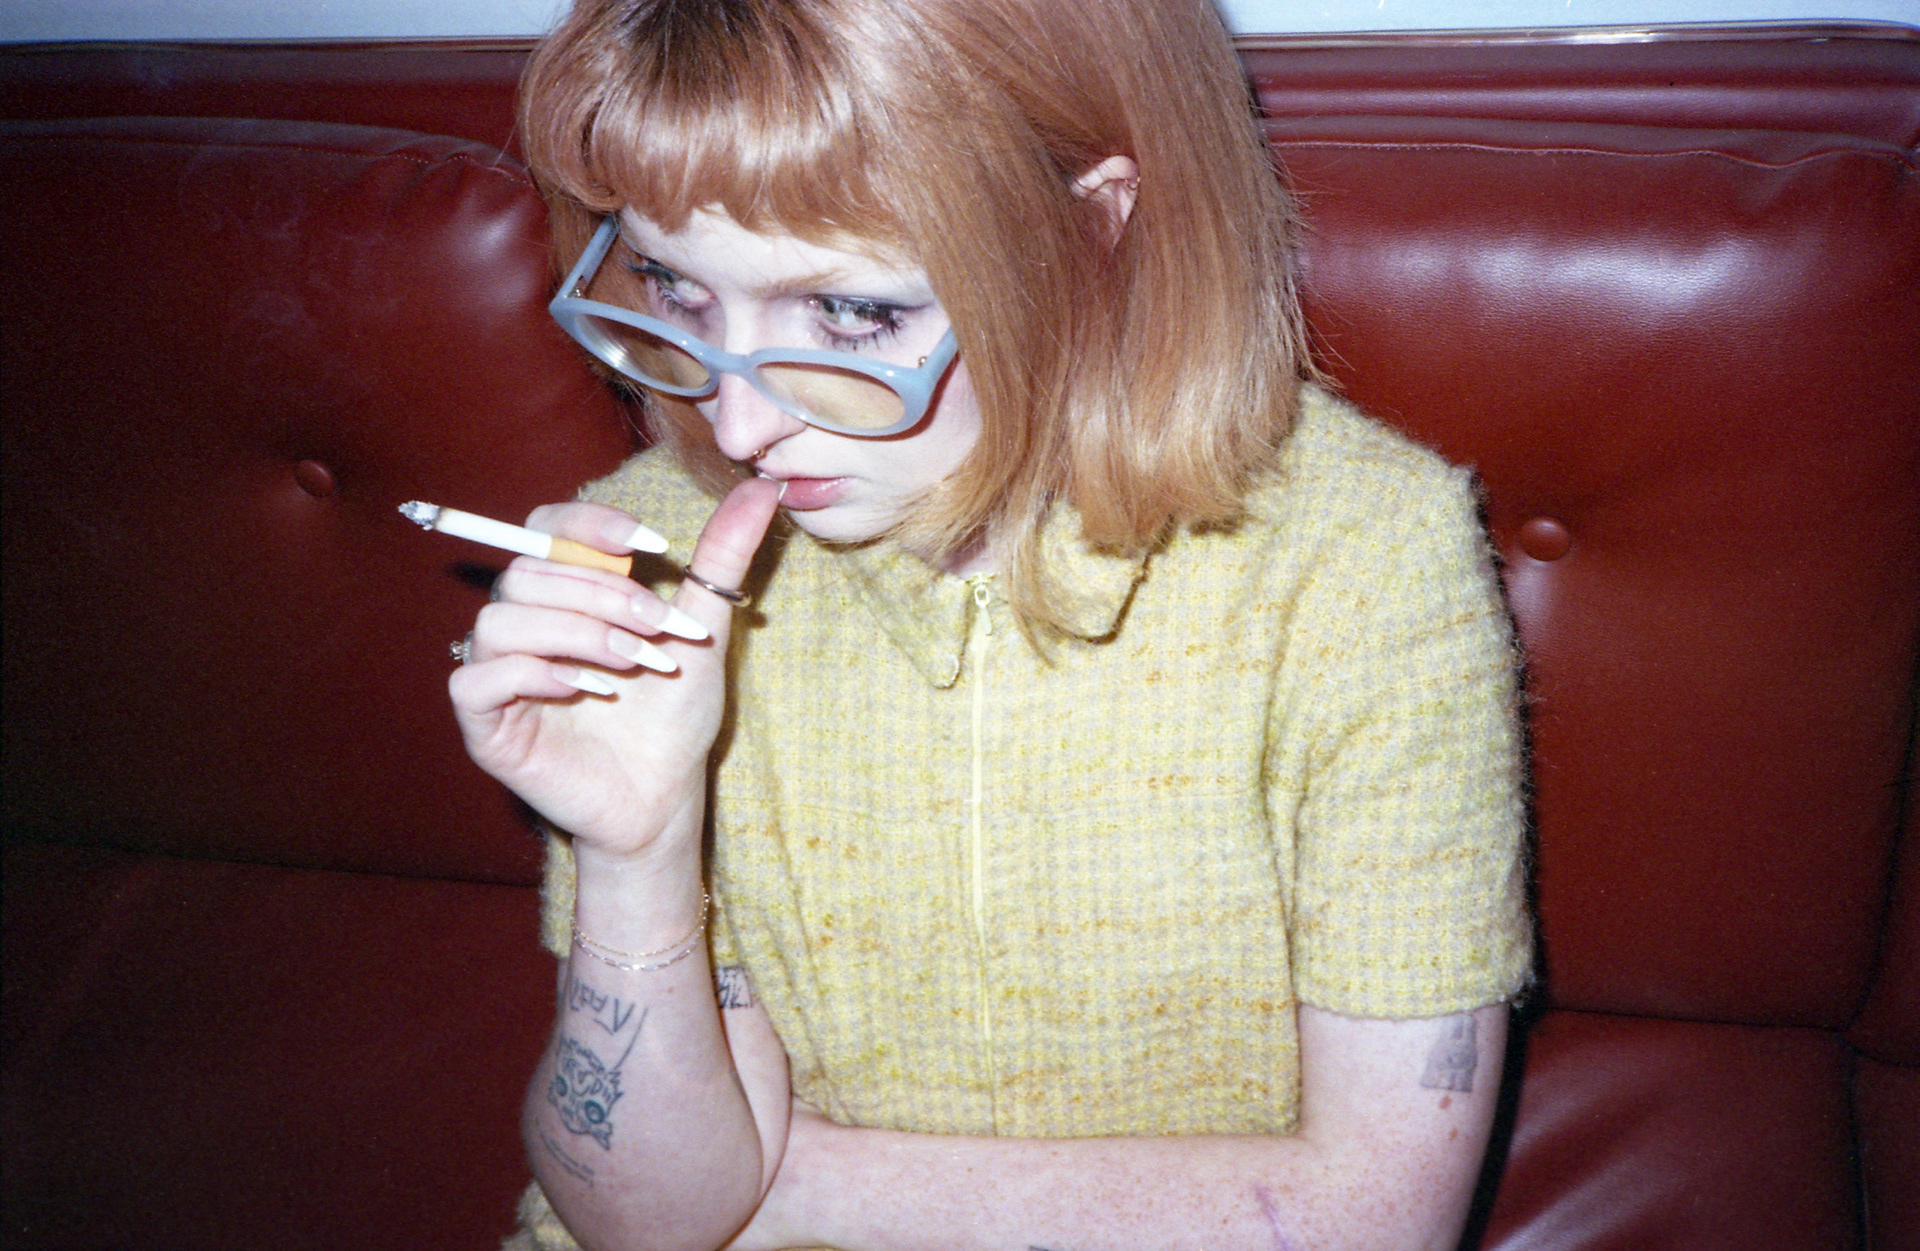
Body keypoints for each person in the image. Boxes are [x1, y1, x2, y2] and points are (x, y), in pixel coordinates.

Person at [452, 0, 1533, 1247]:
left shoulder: (1362, 563)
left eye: (853, 316)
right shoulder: (648, 553)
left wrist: (786, 1183)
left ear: (1096, 226)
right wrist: (637, 856)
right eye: (677, 291)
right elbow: (644, 1222)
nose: (739, 427)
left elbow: (1378, 1220)